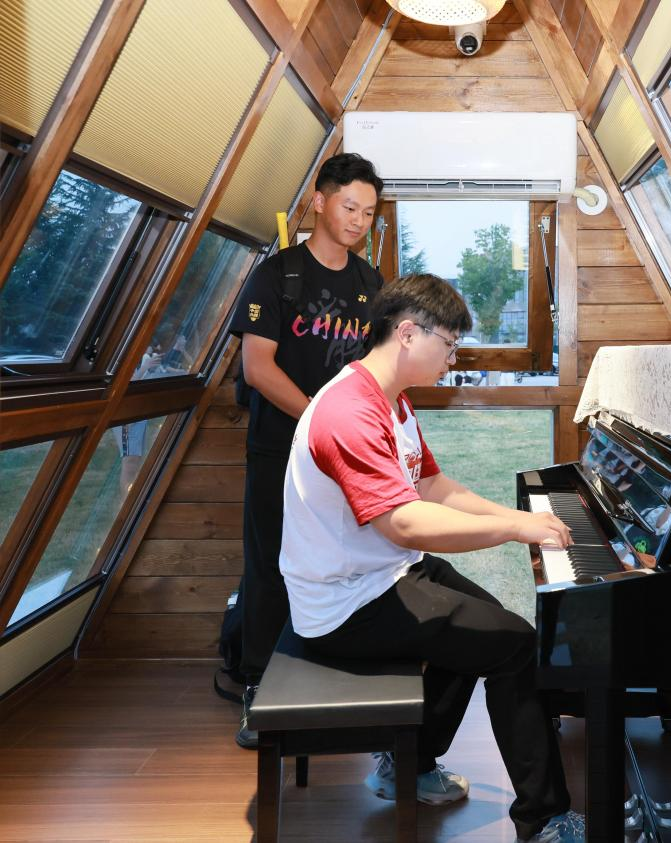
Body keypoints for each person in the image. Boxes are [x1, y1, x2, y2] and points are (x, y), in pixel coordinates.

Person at [279, 273, 584, 843]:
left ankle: (408, 762)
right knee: (516, 646)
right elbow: (404, 522)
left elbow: (432, 487)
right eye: (449, 344)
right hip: (346, 602)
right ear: (407, 333)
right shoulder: (348, 410)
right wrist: (513, 528)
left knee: (491, 625)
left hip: (385, 571)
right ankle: (544, 821)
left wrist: (519, 517)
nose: (452, 358)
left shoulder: (391, 400)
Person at [226, 152, 385, 748]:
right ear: (319, 201)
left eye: (368, 213)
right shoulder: (276, 275)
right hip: (280, 450)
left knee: (347, 563)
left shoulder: (371, 284)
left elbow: (375, 368)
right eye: (350, 207)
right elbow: (257, 367)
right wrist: (320, 420)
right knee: (271, 566)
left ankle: (333, 676)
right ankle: (258, 688)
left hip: (345, 457)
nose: (358, 221)